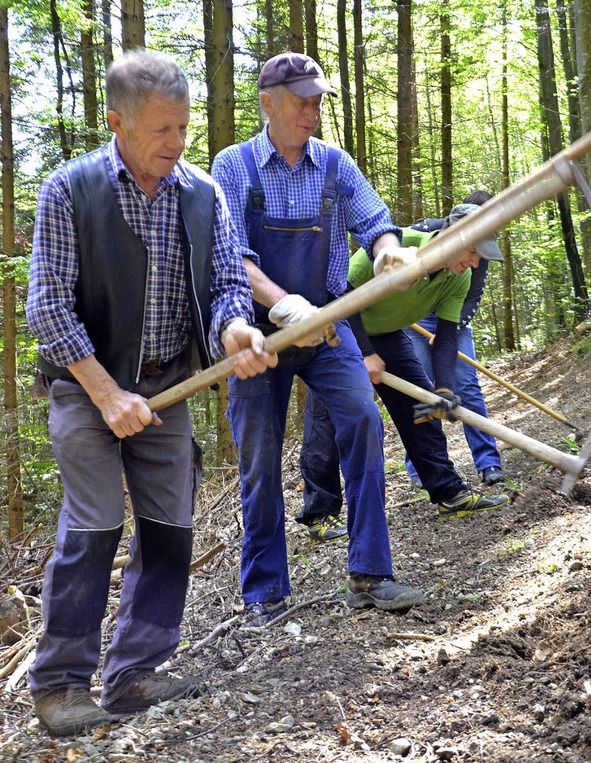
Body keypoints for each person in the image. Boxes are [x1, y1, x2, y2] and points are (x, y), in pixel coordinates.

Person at [26, 49, 277, 738]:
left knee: (170, 531)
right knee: (95, 525)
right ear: (117, 123)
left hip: (169, 386)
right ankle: (60, 683)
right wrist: (107, 395)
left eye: (184, 127)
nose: (178, 143)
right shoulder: (69, 191)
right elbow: (47, 308)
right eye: (162, 130)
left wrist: (232, 330)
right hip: (86, 387)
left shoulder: (203, 194)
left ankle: (136, 670)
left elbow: (229, 282)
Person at [210, 51, 423, 626]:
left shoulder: (334, 164)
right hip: (254, 338)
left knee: (362, 419)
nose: (312, 111)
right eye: (301, 101)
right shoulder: (233, 166)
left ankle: (371, 572)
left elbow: (375, 223)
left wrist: (387, 252)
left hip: (328, 329)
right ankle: (265, 593)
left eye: (317, 101)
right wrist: (282, 304)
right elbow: (230, 257)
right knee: (258, 455)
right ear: (268, 103)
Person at [298, 203, 510, 524]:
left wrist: (443, 388)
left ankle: (448, 492)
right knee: (327, 421)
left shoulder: (459, 278)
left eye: (480, 256)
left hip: (386, 332)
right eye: (472, 251)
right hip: (338, 328)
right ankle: (319, 514)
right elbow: (339, 295)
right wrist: (364, 353)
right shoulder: (395, 247)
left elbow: (448, 337)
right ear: (451, 237)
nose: (475, 262)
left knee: (421, 404)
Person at [406, 190, 506, 488]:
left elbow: (473, 295)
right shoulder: (425, 232)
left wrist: (452, 329)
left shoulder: (481, 249)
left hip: (454, 318)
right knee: (421, 389)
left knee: (466, 387)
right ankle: (421, 468)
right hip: (415, 318)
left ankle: (488, 463)